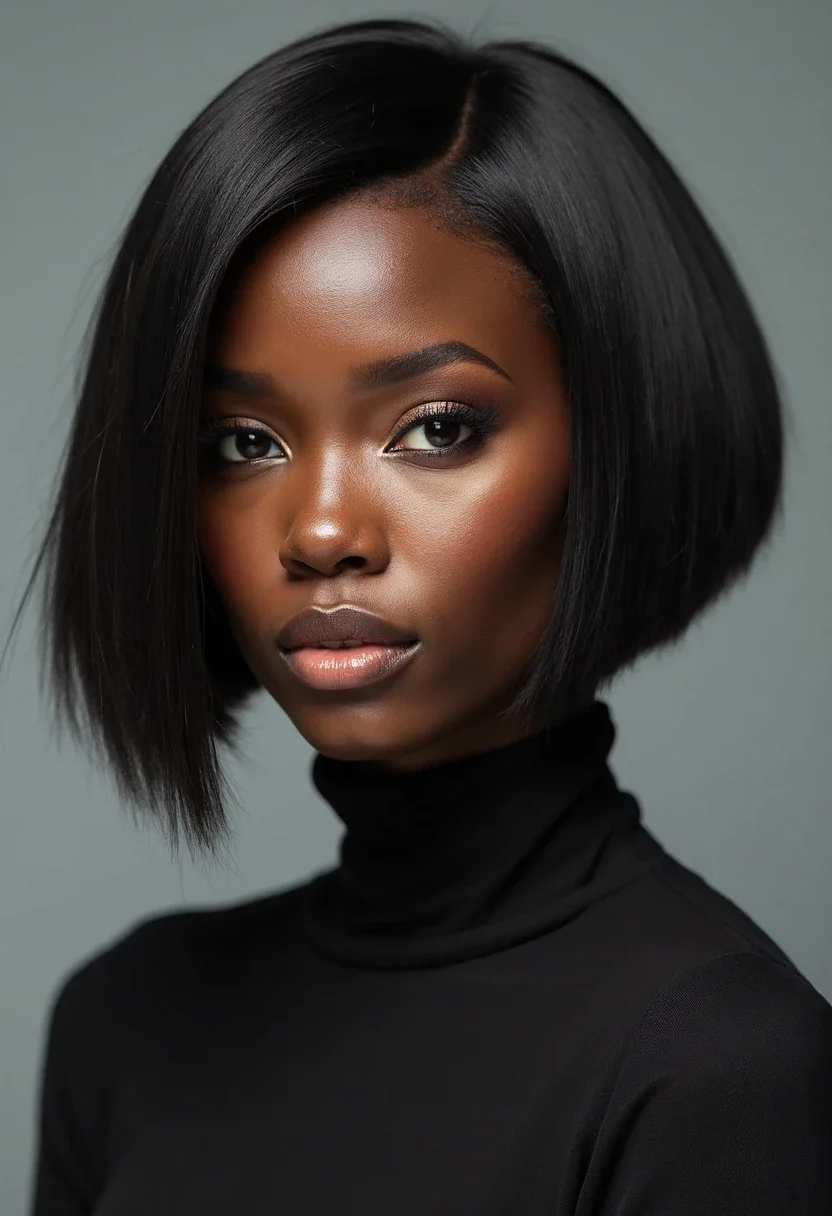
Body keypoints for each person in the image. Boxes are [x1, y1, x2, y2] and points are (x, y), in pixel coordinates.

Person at [8, 15, 831, 1215]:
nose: (321, 529)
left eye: (434, 428)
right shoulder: (124, 1026)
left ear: (622, 440)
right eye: (245, 442)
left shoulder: (717, 1073)